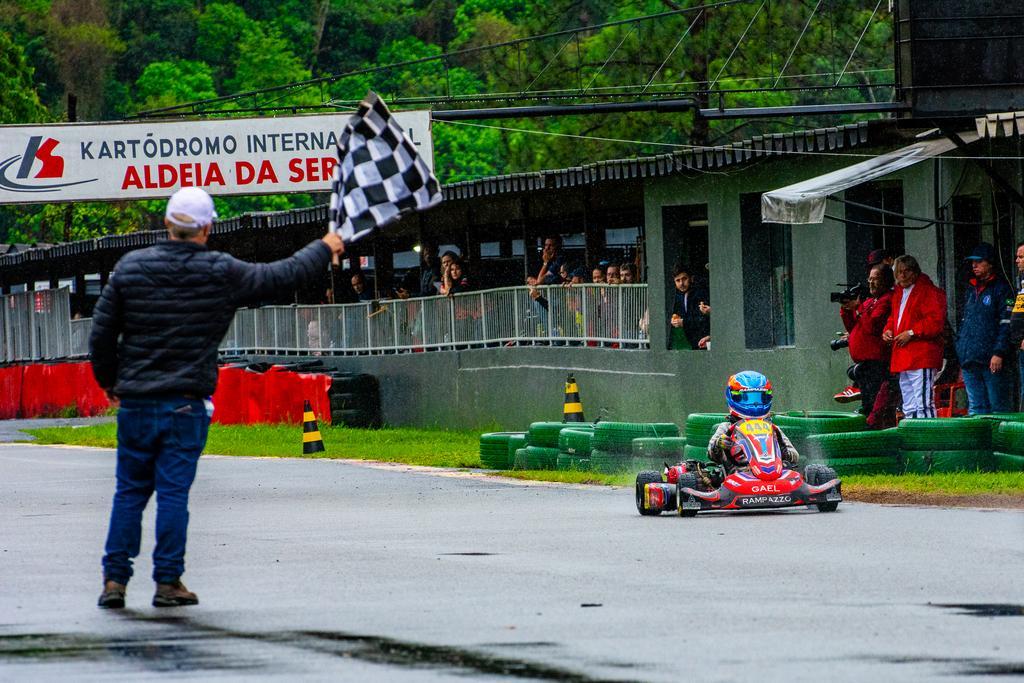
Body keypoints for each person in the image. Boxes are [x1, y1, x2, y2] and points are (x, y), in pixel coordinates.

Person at [89, 187, 344, 609]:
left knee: (129, 492)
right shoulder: (220, 271)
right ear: (207, 227)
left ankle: (114, 581)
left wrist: (111, 383)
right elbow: (282, 275)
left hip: (135, 400)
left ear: (168, 224)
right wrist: (324, 247)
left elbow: (101, 335)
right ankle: (168, 582)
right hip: (186, 402)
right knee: (173, 493)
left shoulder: (130, 267)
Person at [882, 255, 947, 419]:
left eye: (906, 271)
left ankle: (927, 440)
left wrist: (911, 332)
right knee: (909, 405)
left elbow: (935, 321)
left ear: (915, 272)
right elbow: (894, 318)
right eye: (899, 272)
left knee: (923, 403)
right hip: (904, 355)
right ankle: (913, 438)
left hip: (921, 355)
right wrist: (888, 330)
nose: (902, 276)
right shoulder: (899, 293)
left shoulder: (929, 291)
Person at [955, 243, 1014, 415]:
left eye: (979, 262)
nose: (974, 266)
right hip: (970, 360)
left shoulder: (1002, 289)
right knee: (976, 410)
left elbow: (1007, 324)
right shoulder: (970, 290)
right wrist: (962, 351)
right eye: (973, 262)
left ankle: (999, 443)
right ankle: (979, 443)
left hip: (992, 361)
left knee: (998, 410)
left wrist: (999, 353)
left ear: (990, 263)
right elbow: (964, 323)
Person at [706, 371, 800, 474]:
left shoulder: (772, 429)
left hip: (774, 475)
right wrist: (719, 445)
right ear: (733, 397)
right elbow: (711, 454)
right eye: (747, 398)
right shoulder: (726, 428)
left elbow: (795, 456)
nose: (754, 404)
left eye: (759, 398)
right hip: (737, 476)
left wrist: (783, 451)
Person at [838, 264, 895, 421]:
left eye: (875, 279)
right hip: (866, 362)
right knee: (868, 399)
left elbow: (872, 327)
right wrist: (846, 309)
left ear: (886, 281)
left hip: (877, 361)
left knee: (874, 402)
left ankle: (874, 428)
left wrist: (858, 308)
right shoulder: (871, 301)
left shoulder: (887, 300)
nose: (871, 282)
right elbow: (853, 327)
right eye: (869, 279)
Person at [669, 265, 710, 350]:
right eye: (678, 280)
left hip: (704, 341)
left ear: (691, 278)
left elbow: (702, 319)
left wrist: (683, 322)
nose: (681, 283)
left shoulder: (700, 293)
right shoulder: (676, 296)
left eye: (684, 279)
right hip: (690, 343)